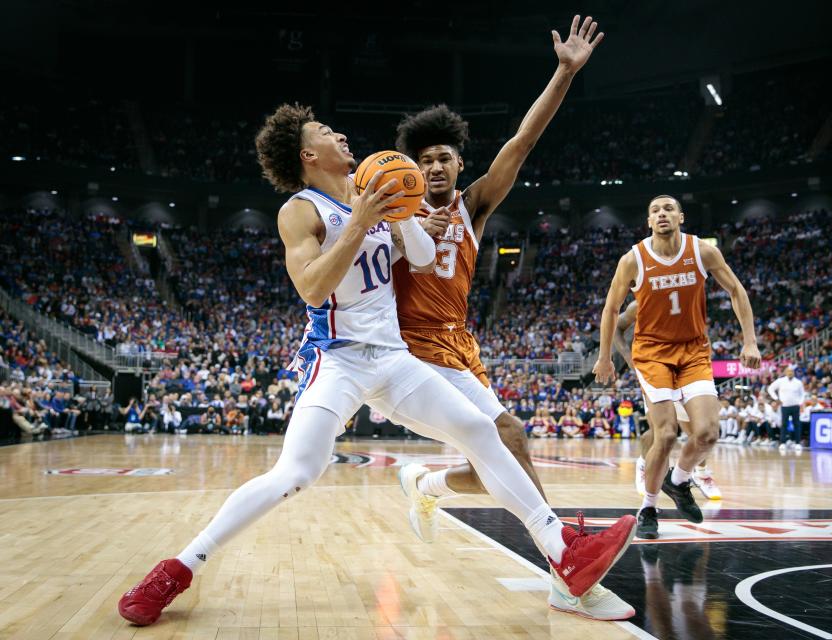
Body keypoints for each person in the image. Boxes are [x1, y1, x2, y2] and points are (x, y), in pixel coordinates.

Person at [117, 103, 636, 627]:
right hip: (337, 360)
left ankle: (563, 550)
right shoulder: (300, 209)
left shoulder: (378, 195)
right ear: (308, 154)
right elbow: (314, 287)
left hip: (393, 358)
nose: (340, 134)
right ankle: (177, 569)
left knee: (484, 431)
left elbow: (427, 259)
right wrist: (362, 222)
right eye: (325, 132)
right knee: (298, 471)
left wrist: (402, 212)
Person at [391, 16, 631, 620]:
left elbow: (522, 141)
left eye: (445, 157)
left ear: (458, 162)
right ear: (413, 169)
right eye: (426, 160)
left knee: (496, 463)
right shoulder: (393, 213)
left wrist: (563, 73)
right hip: (409, 352)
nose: (437, 167)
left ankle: (429, 486)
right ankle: (567, 575)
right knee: (513, 438)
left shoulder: (474, 204)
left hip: (459, 347)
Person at [594, 194, 760, 539]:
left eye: (669, 208)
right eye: (654, 210)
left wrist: (749, 340)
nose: (662, 214)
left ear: (681, 216)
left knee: (707, 433)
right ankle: (648, 508)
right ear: (649, 222)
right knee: (666, 433)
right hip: (652, 353)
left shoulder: (702, 251)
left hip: (694, 351)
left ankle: (679, 480)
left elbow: (736, 290)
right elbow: (611, 310)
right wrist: (605, 356)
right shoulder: (633, 259)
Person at [613, 300, 722, 504]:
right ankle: (645, 464)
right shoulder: (640, 305)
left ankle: (701, 472)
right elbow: (616, 327)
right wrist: (629, 359)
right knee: (659, 433)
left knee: (699, 431)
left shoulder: (690, 296)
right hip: (655, 368)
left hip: (686, 367)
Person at [767, 366, 805, 450]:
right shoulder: (781, 381)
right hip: (785, 406)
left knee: (797, 424)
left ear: (794, 373)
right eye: (788, 371)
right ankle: (783, 442)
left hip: (795, 406)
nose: (790, 373)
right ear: (785, 372)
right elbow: (770, 389)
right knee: (784, 424)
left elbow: (802, 394)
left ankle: (797, 443)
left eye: (791, 371)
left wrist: (800, 402)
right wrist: (776, 399)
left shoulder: (798, 382)